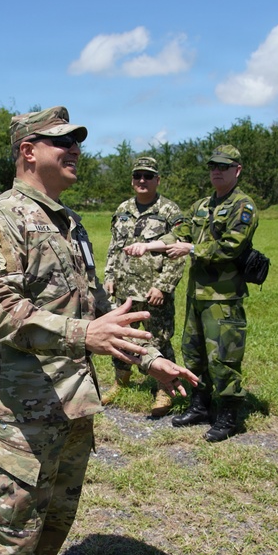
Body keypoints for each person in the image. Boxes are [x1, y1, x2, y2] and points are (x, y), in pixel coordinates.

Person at [0, 106, 197, 555]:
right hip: (21, 404)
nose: (74, 150)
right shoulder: (0, 219)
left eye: (76, 141)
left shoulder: (66, 220)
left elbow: (98, 304)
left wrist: (148, 357)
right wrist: (82, 333)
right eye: (60, 141)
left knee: (57, 517)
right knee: (10, 528)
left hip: (71, 399)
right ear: (27, 151)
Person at [124, 144, 259, 443]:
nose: (217, 171)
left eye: (223, 167)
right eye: (213, 166)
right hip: (197, 295)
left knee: (223, 357)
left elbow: (231, 246)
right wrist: (151, 245)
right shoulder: (201, 205)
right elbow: (179, 236)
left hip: (223, 296)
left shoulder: (243, 206)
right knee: (194, 353)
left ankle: (228, 414)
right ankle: (200, 406)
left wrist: (192, 249)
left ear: (237, 170)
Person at [101, 156, 186, 416]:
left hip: (154, 292)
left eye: (148, 176)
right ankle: (121, 381)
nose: (142, 180)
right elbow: (115, 247)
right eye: (138, 175)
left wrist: (163, 285)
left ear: (157, 180)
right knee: (121, 336)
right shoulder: (123, 209)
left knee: (159, 338)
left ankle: (164, 388)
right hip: (125, 288)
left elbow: (178, 250)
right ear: (132, 180)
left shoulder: (169, 211)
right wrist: (110, 276)